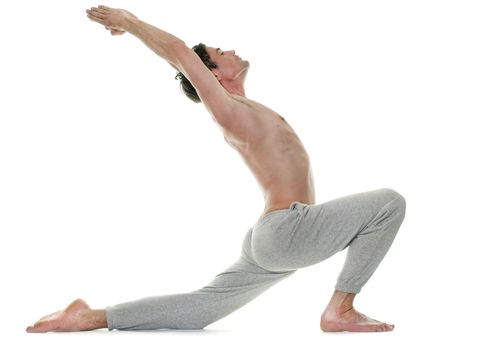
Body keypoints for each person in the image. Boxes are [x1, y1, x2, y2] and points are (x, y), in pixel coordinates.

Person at [26, 5, 406, 333]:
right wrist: (130, 21)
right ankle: (340, 308)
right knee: (388, 203)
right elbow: (177, 51)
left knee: (202, 308)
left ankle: (88, 317)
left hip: (272, 237)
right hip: (288, 230)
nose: (231, 49)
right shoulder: (228, 111)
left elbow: (180, 58)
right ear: (212, 75)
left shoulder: (247, 108)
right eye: (220, 51)